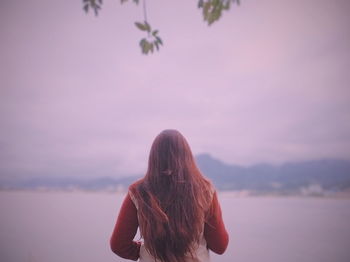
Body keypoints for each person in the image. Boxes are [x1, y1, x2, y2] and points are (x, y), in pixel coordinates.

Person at [110, 129, 229, 262]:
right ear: (187, 157)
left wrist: (144, 253)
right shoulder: (205, 190)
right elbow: (220, 246)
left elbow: (118, 245)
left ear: (154, 157)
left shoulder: (138, 191)